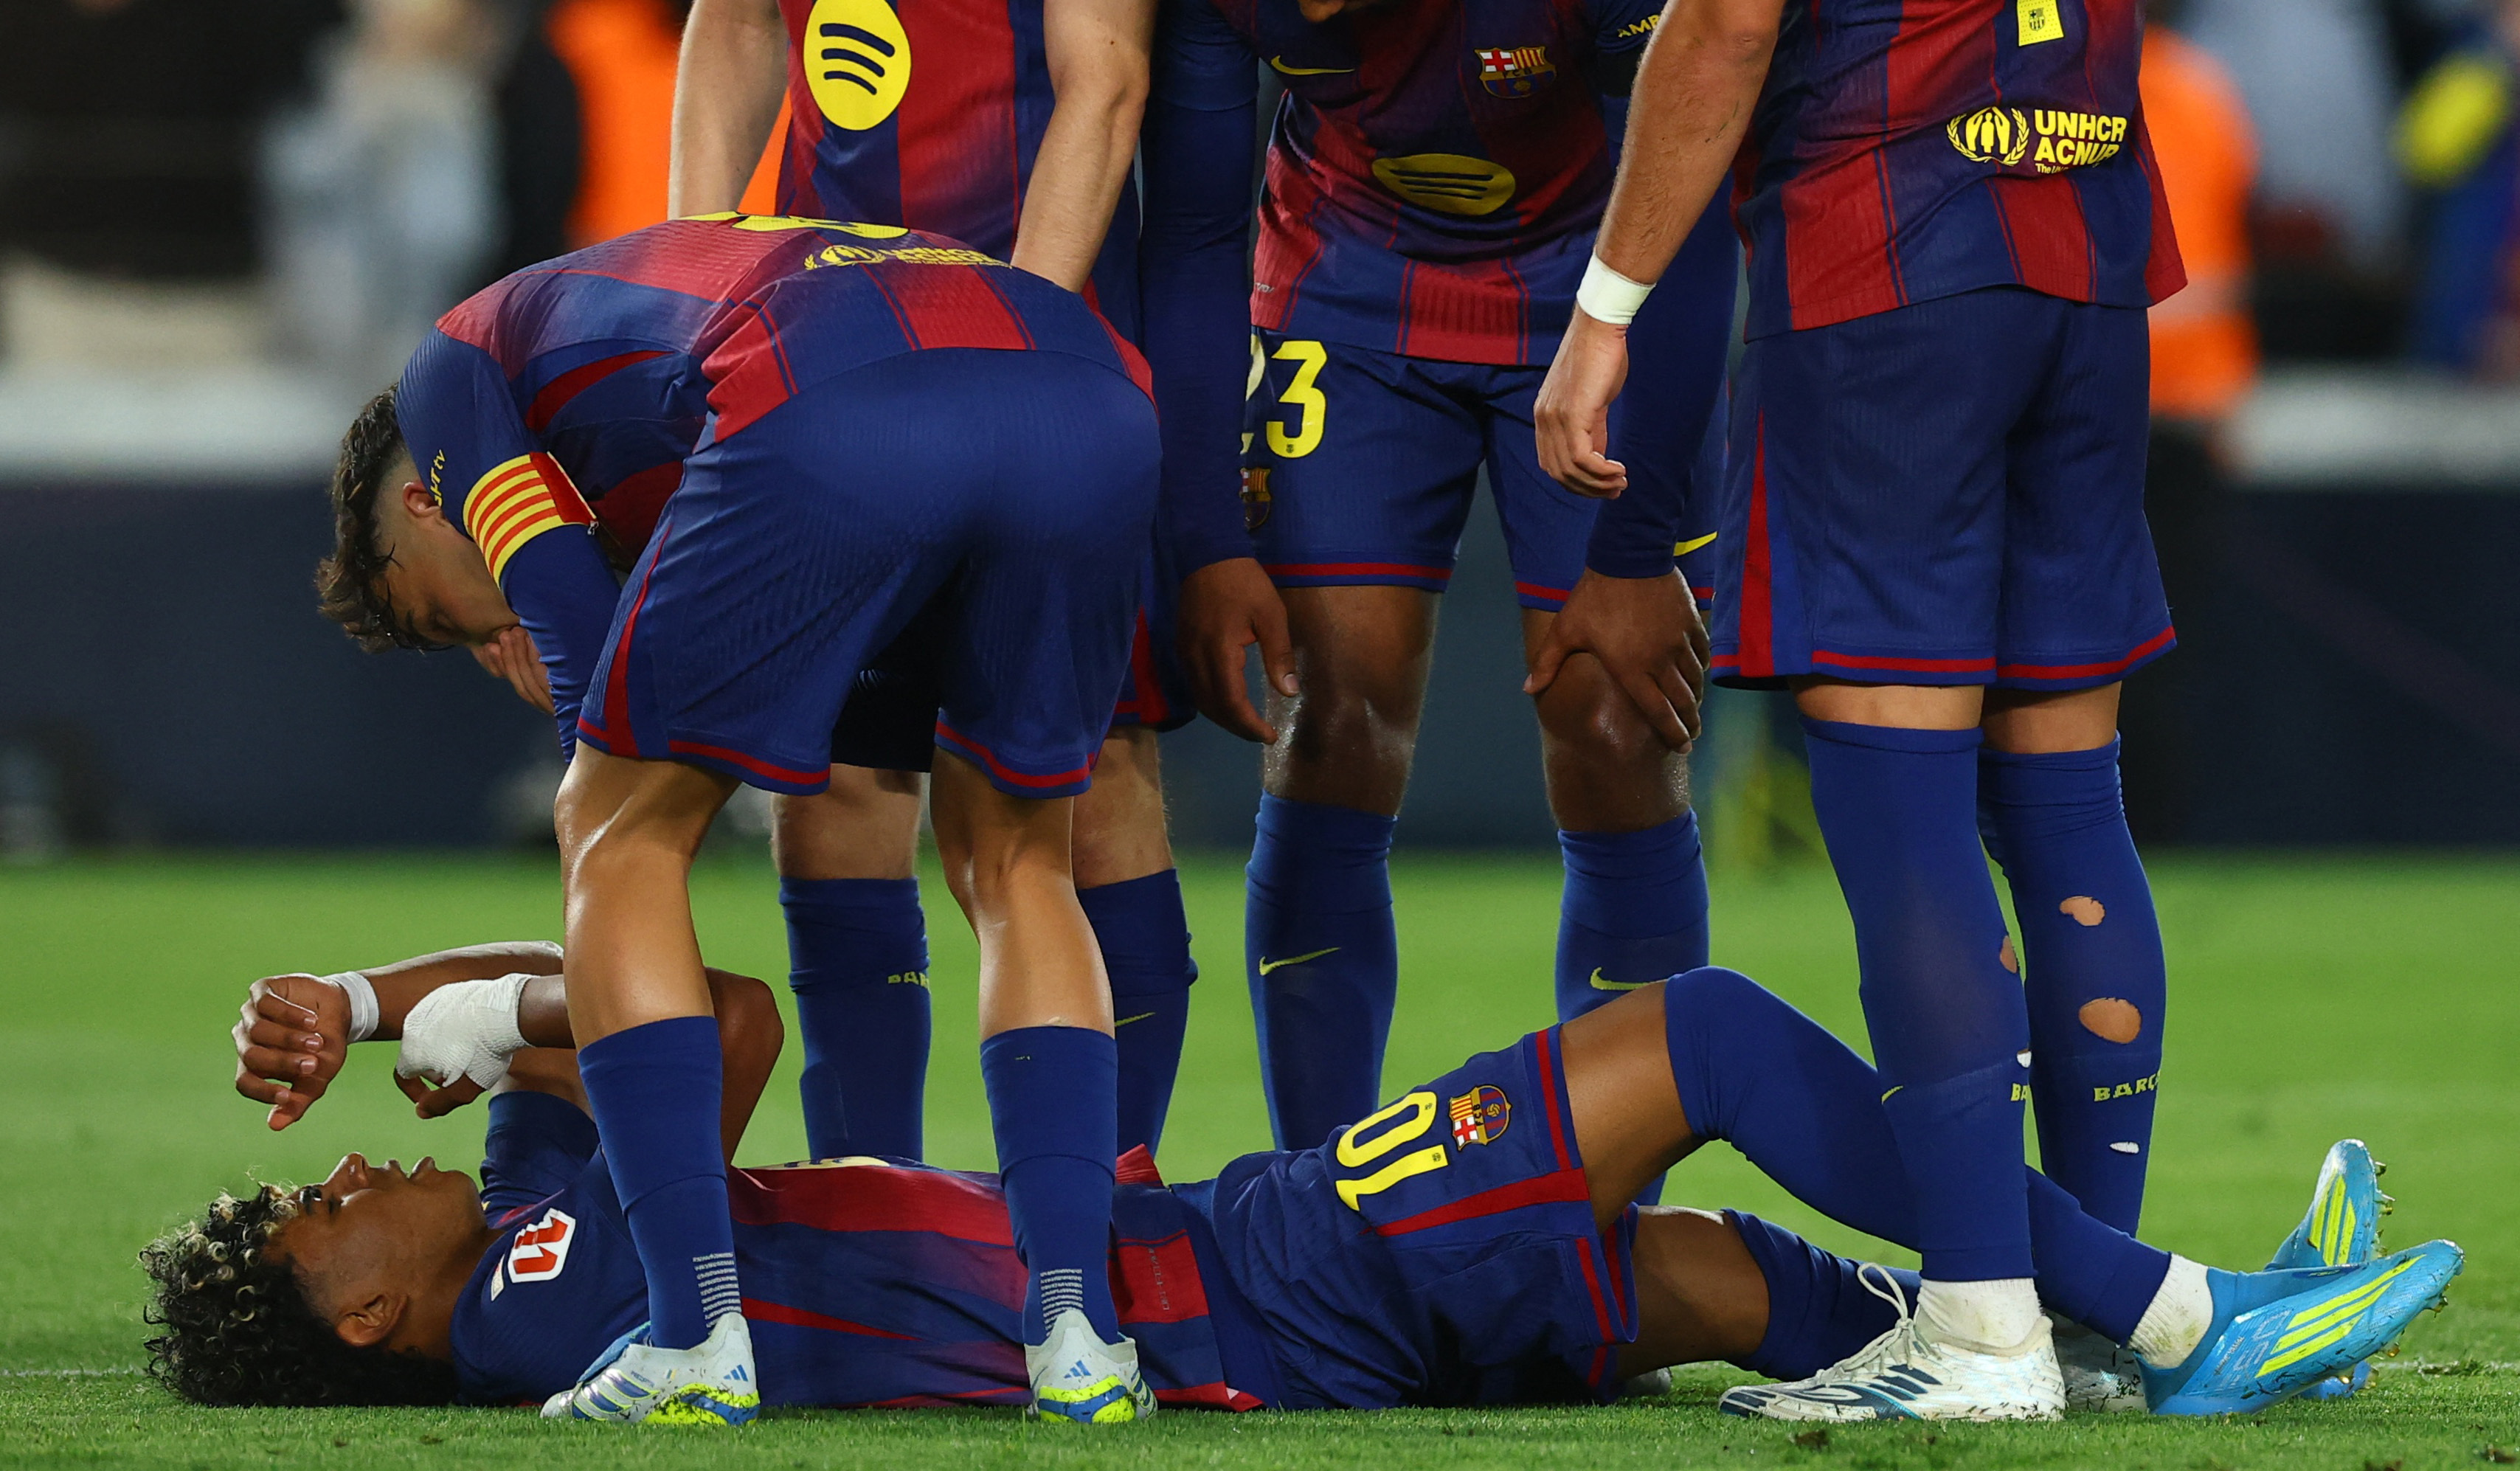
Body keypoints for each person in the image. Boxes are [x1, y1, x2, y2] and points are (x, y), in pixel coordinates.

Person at [171, 944, 2462, 1418]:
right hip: (1243, 1282)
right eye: (327, 1212)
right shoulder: (534, 1302)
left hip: (1250, 1308)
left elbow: (725, 1021)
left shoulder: (585, 1260)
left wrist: (444, 1019)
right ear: (361, 1316)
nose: (364, 1172)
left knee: (1677, 1273)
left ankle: (2056, 1333)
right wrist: (445, 1009)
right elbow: (709, 1006)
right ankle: (2176, 1311)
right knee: (1717, 1037)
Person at [313, 212, 1163, 1425]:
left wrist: (603, 783)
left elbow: (559, 612)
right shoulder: (620, 389)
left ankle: (694, 1337)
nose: (483, 635)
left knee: (614, 827)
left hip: (838, 387)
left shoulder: (451, 371)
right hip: (1087, 386)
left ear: (421, 503)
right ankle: (1080, 1338)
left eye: (449, 616)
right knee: (1020, 858)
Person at [1533, 0, 2187, 1420]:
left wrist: (1603, 314)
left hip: (1891, 254)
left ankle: (1980, 1326)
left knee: (1902, 804)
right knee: (2068, 802)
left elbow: (1725, 22)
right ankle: (2094, 1318)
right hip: (2093, 243)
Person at [1138, 0, 1741, 1156]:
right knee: (1328, 720)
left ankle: (1610, 1249)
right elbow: (1195, 233)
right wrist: (1208, 535)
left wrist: (1634, 548)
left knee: (1618, 726)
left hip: (1594, 283)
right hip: (1345, 285)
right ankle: (1324, 1221)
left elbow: (1691, 186)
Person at [665, 0, 1199, 1166]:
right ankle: (874, 1218)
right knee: (840, 781)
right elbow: (742, 23)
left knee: (1083, 777)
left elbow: (1102, 89)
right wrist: (700, 277)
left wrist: (1010, 352)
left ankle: (1111, 1225)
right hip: (828, 349)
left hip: (1045, 332)